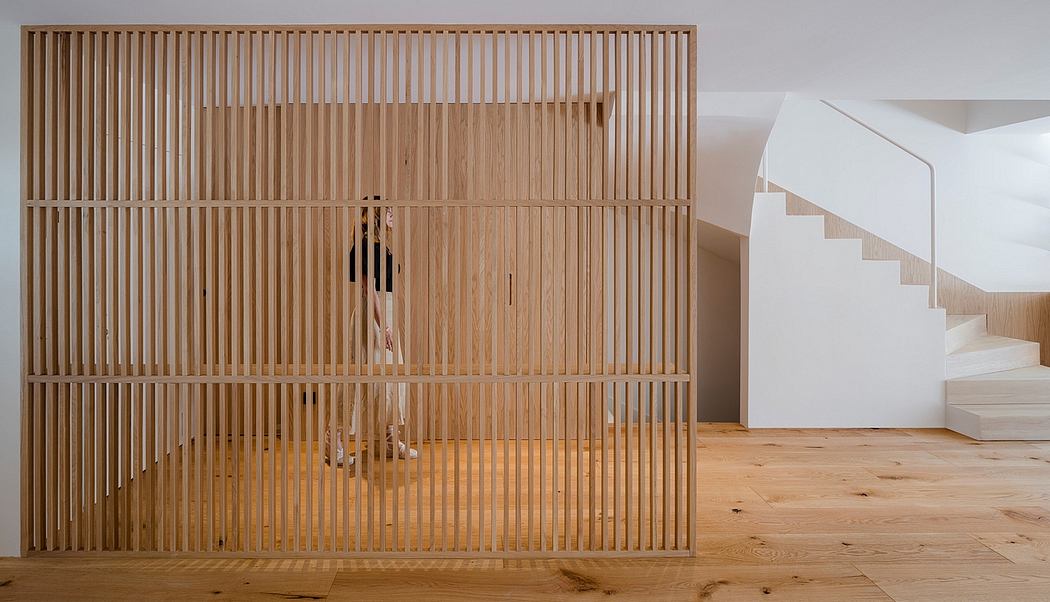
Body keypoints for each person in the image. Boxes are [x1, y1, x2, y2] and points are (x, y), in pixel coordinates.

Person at [325, 197, 418, 467]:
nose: (392, 215)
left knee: (390, 377)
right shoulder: (364, 246)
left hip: (385, 314)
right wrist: (382, 324)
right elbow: (370, 290)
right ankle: (335, 441)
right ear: (376, 215)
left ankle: (389, 439)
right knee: (358, 376)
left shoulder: (382, 247)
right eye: (388, 211)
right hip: (372, 316)